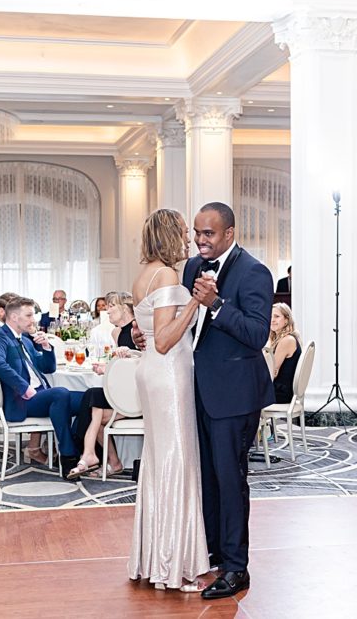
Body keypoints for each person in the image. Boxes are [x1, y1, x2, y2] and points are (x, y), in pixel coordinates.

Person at [183, 201, 273, 600]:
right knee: (207, 477)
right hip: (198, 389)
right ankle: (216, 553)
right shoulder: (190, 268)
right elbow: (192, 329)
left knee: (231, 479)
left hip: (236, 394)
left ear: (229, 234)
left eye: (209, 234)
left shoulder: (255, 272)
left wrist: (216, 305)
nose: (201, 240)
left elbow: (256, 335)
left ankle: (237, 568)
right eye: (198, 233)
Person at [127, 208, 208, 592]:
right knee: (176, 459)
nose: (189, 239)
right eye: (182, 231)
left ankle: (154, 557)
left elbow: (144, 329)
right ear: (169, 236)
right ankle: (173, 563)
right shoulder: (168, 275)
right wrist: (195, 303)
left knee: (160, 462)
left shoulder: (143, 275)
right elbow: (162, 339)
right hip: (167, 374)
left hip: (151, 374)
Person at [0, 296, 82, 478]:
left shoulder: (26, 339)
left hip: (40, 395)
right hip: (21, 401)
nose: (34, 319)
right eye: (29, 315)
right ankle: (69, 458)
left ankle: (85, 454)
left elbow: (47, 367)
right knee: (60, 394)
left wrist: (46, 346)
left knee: (90, 398)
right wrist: (24, 388)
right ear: (14, 317)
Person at [66, 291, 137, 479]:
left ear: (125, 308)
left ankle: (87, 453)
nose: (107, 310)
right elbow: (121, 368)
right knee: (94, 409)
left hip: (138, 398)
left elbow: (145, 363)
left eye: (112, 305)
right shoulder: (116, 333)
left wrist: (128, 355)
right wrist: (108, 367)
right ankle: (102, 458)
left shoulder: (137, 330)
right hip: (122, 395)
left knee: (92, 399)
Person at [268, 303, 301, 405]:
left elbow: (273, 372)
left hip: (281, 393)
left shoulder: (286, 340)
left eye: (277, 316)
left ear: (286, 320)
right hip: (281, 390)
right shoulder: (282, 339)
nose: (272, 320)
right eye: (270, 316)